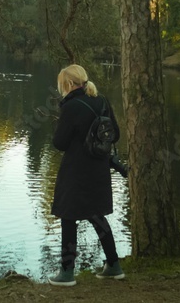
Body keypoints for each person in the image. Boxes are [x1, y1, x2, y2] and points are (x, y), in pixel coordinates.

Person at [48, 64, 125, 286]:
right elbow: (116, 134)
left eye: (62, 85)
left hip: (75, 171)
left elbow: (59, 143)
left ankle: (67, 273)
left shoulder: (71, 106)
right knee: (97, 216)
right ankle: (114, 265)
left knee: (68, 217)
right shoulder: (101, 101)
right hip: (99, 169)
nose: (61, 89)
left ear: (70, 84)